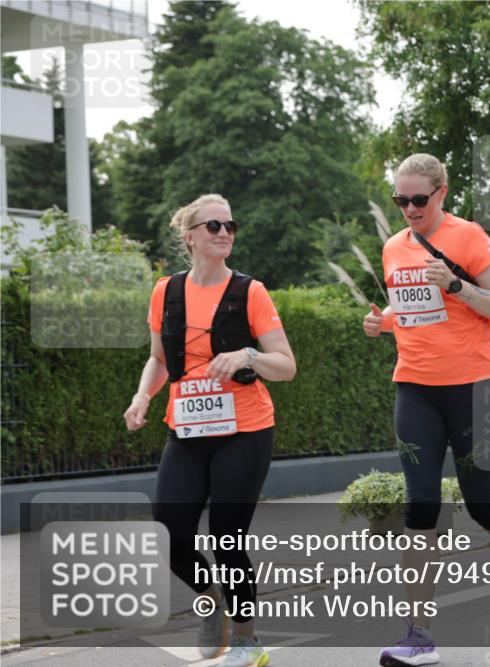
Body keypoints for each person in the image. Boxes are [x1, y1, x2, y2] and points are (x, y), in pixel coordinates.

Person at [363, 154, 490, 666]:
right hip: (415, 388)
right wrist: (384, 322)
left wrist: (454, 283)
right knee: (420, 507)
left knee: (481, 504)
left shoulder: (470, 238)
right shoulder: (392, 248)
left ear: (441, 193)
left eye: (418, 199)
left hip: (477, 387)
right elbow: (413, 313)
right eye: (400, 200)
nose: (409, 209)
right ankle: (418, 636)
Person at [123, 194, 296, 666]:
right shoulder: (165, 292)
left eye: (230, 226)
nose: (224, 233)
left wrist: (249, 356)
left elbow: (286, 366)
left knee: (226, 534)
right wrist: (143, 398)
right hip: (188, 429)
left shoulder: (250, 292)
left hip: (246, 429)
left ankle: (246, 640)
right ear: (191, 236)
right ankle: (211, 601)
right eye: (213, 226)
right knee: (169, 531)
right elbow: (160, 360)